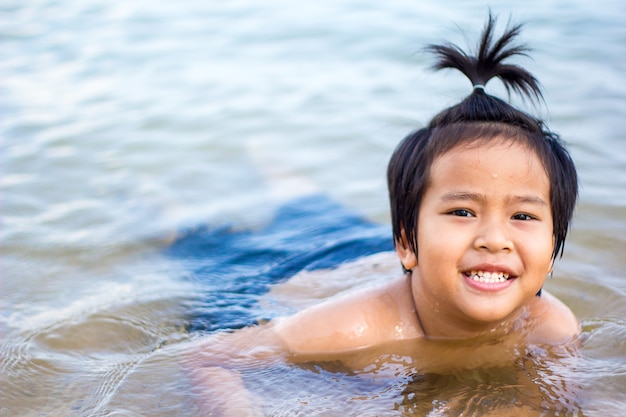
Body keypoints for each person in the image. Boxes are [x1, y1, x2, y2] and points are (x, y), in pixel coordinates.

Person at [182, 14, 580, 415]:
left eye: (523, 217)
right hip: (274, 277)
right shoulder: (360, 329)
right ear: (407, 244)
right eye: (463, 210)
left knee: (310, 205)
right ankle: (243, 157)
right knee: (191, 242)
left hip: (392, 255)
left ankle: (277, 171)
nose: (495, 238)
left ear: (551, 250)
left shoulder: (553, 330)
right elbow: (206, 357)